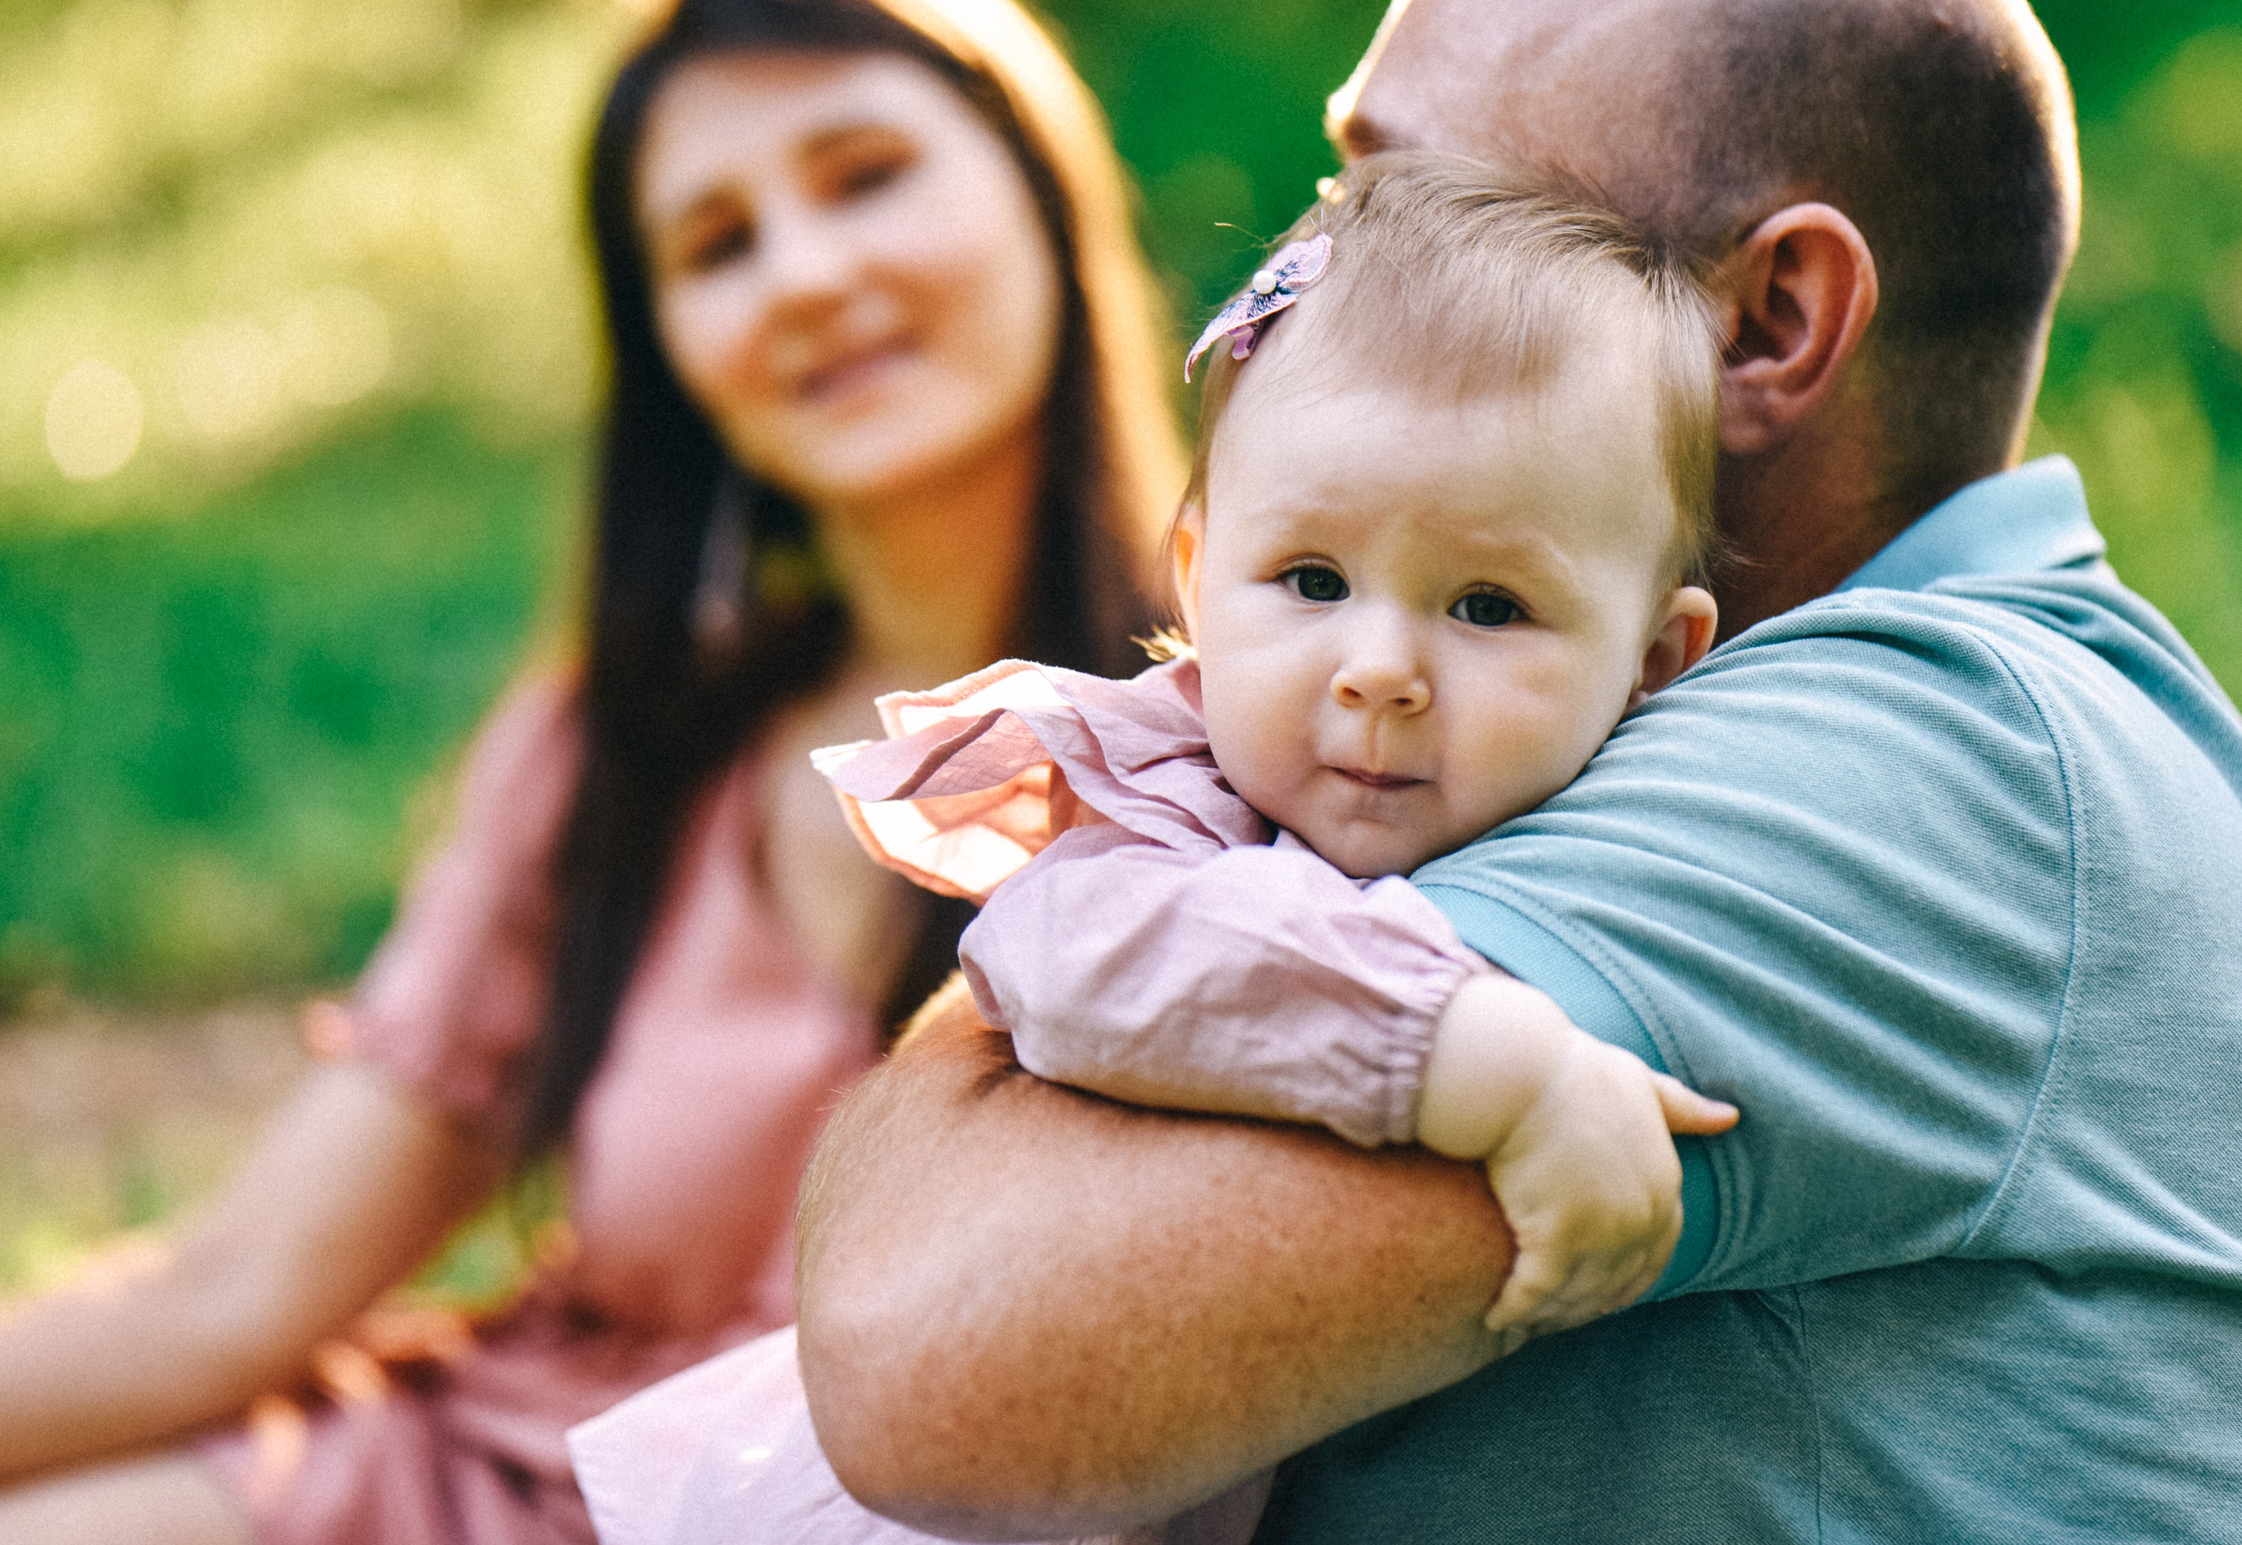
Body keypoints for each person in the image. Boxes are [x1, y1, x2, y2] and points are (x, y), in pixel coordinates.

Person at [788, 0, 2242, 1543]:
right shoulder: (1628, 720)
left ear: (1770, 323)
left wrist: (1107, 894)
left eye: (1400, 202)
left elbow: (930, 1362)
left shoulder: (1913, 764)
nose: (1326, 276)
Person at [0, 0, 1184, 1545]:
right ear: (674, 360)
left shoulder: (1249, 730)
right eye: (715, 246)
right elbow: (235, 1297)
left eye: (864, 176)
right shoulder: (627, 751)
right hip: (484, 1473)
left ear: (1041, 193)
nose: (810, 277)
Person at [567, 156, 1748, 1545]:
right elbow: (1101, 963)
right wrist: (1490, 1068)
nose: (1378, 668)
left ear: (1658, 660)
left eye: (1488, 606)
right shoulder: (1156, 805)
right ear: (1194, 578)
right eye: (1309, 581)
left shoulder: (1661, 826)